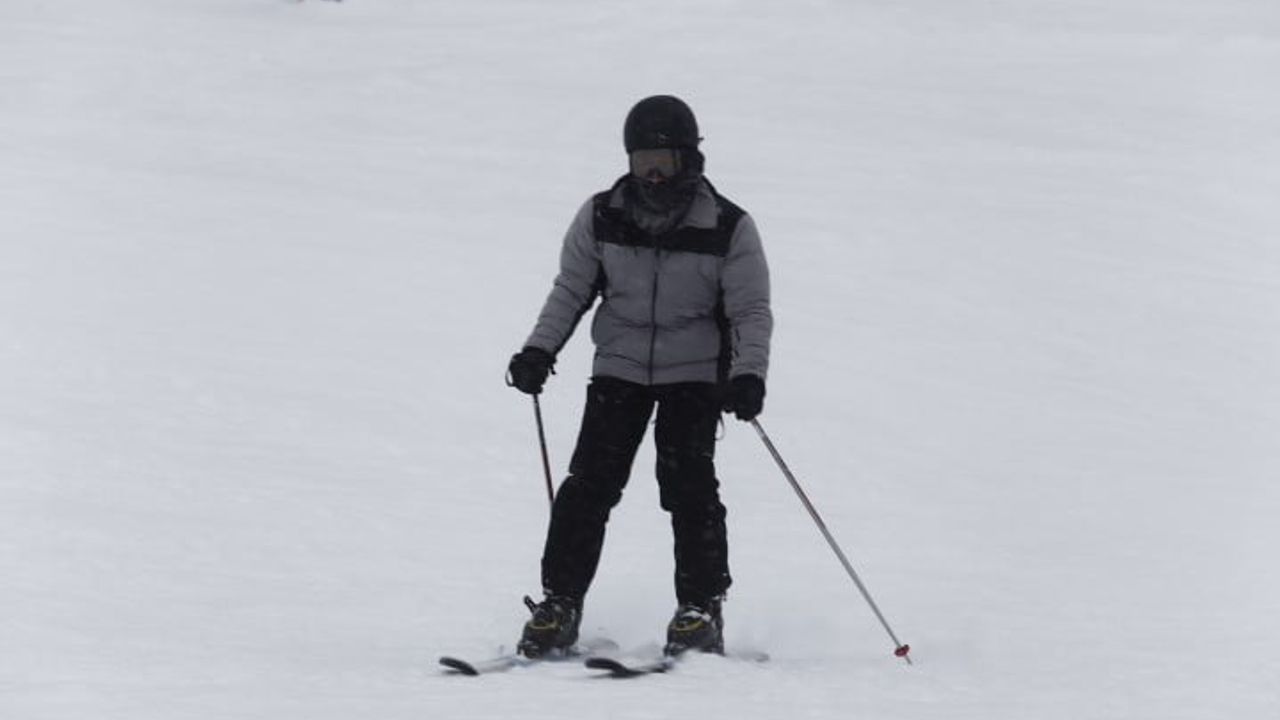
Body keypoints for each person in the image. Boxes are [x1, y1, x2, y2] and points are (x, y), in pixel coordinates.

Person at [506, 95, 772, 658]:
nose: (651, 173)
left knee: (689, 488)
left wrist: (748, 375)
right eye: (641, 160)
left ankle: (701, 609)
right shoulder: (603, 215)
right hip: (619, 368)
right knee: (589, 486)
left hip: (695, 375)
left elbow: (750, 311)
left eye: (663, 161)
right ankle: (560, 604)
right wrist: (538, 349)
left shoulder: (728, 226)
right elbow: (571, 290)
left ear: (689, 160)